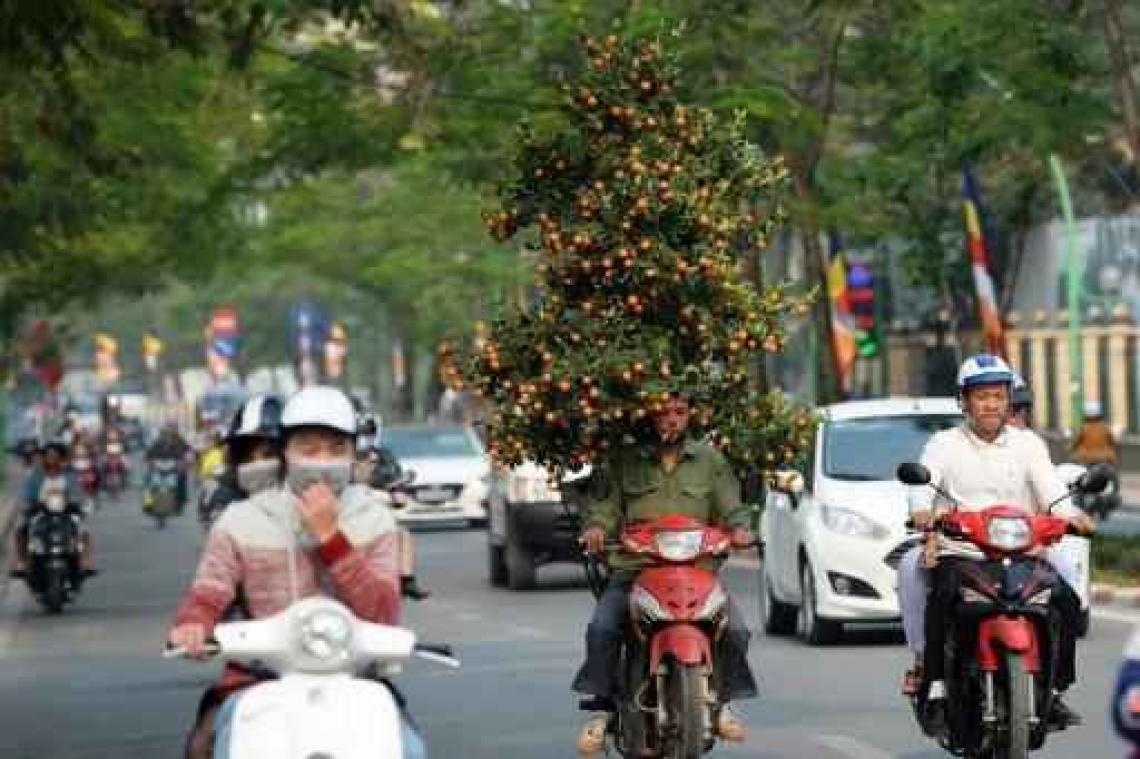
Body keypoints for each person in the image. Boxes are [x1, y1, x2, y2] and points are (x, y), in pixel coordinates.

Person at [167, 385, 422, 759]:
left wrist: (331, 537)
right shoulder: (242, 520)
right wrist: (193, 623)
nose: (322, 462)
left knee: (410, 749)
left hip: (357, 679)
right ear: (285, 454)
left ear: (354, 455)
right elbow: (209, 591)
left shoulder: (375, 519)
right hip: (257, 680)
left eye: (337, 450)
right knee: (205, 745)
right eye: (309, 450)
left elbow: (383, 613)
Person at [896, 354, 1095, 730]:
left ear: (1009, 402)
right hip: (964, 550)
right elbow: (924, 485)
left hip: (1021, 549)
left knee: (1066, 600)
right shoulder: (945, 443)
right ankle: (935, 682)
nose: (991, 404)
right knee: (936, 593)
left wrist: (1072, 516)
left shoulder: (1027, 444)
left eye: (998, 396)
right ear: (965, 401)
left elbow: (1051, 491)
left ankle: (1056, 691)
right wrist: (923, 512)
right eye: (982, 396)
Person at [573, 392, 757, 755]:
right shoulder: (625, 460)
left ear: (690, 416)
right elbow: (606, 509)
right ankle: (605, 709)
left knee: (736, 630)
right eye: (664, 412)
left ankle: (721, 706)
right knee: (603, 628)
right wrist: (596, 529)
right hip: (635, 569)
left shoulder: (709, 459)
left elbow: (731, 507)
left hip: (696, 572)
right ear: (648, 415)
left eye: (680, 412)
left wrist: (740, 529)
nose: (672, 419)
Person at [354, 419, 431, 601]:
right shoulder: (341, 458)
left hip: (376, 512)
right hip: (346, 513)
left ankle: (407, 580)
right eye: (360, 433)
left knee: (402, 533)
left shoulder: (385, 457)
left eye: (368, 434)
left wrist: (396, 494)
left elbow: (398, 486)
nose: (364, 439)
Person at [9, 440, 96, 577]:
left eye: (55, 455)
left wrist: (77, 502)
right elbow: (28, 493)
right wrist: (30, 503)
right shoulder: (37, 475)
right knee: (22, 529)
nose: (52, 459)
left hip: (66, 511)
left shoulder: (69, 475)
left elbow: (77, 492)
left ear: (62, 457)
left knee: (84, 529)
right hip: (41, 511)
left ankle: (85, 561)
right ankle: (21, 561)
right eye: (49, 456)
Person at [199, 396, 283, 527]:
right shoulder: (221, 490)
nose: (258, 462)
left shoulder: (300, 493)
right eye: (247, 455)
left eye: (269, 455)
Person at [148, 421, 192, 509]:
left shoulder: (180, 440)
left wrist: (186, 461)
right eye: (169, 428)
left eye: (173, 428)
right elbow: (150, 451)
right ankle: (148, 500)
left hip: (175, 465)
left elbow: (188, 450)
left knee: (182, 477)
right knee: (149, 477)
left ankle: (180, 499)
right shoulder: (158, 440)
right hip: (159, 464)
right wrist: (149, 459)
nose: (171, 430)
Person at [1072, 399, 1117, 467]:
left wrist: (1070, 448)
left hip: (1087, 459)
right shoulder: (1105, 428)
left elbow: (1075, 443)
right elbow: (1112, 442)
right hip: (1105, 458)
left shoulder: (1083, 429)